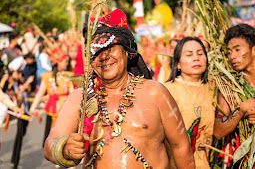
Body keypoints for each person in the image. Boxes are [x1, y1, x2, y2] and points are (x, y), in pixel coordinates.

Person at [43, 9, 195, 169]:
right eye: (96, 51)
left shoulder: (155, 92)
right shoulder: (80, 98)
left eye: (110, 48)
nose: (104, 57)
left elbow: (181, 147)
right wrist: (65, 149)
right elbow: (49, 144)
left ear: (127, 52)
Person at [164, 37, 215, 169]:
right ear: (178, 64)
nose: (196, 58)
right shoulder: (166, 91)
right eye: (189, 55)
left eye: (200, 53)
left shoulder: (214, 90)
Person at [213, 24, 255, 168]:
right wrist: (242, 110)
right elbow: (218, 131)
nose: (232, 56)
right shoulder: (228, 86)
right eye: (229, 52)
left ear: (254, 50)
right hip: (244, 160)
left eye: (237, 50)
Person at [29, 47, 73, 147]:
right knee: (51, 132)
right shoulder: (48, 77)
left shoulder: (69, 75)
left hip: (66, 108)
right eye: (64, 61)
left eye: (67, 61)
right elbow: (40, 93)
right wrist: (32, 108)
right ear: (58, 62)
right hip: (53, 108)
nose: (66, 63)